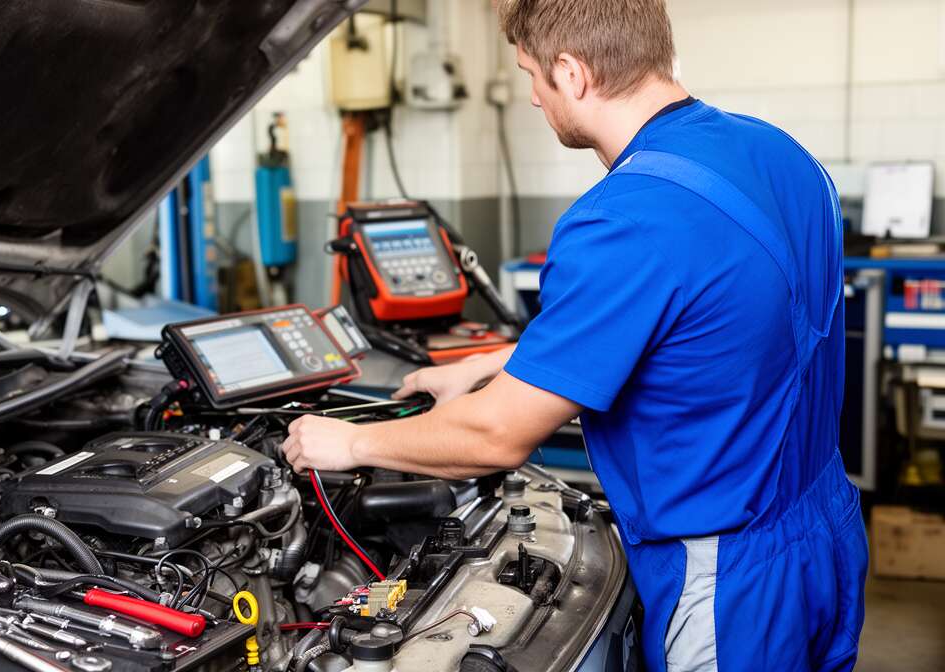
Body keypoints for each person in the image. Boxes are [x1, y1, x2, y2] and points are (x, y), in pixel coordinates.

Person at [282, 1, 867, 670]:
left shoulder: (624, 218)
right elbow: (727, 322)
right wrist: (506, 359)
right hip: (826, 528)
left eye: (532, 74)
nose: (533, 96)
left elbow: (496, 436)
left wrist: (349, 440)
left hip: (731, 579)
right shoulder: (777, 151)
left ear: (572, 71)